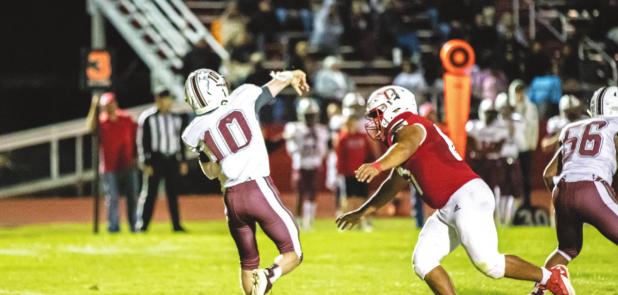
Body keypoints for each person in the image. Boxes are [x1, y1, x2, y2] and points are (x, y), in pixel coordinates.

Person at [336, 85, 575, 295]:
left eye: (377, 114)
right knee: (423, 260)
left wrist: (377, 165)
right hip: (448, 207)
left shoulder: (411, 125)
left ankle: (551, 278)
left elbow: (406, 146)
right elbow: (393, 183)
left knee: (488, 264)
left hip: (466, 196)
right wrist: (362, 211)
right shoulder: (401, 141)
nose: (374, 122)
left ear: (394, 108)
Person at [181, 68, 309, 295]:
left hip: (231, 198)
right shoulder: (243, 97)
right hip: (258, 188)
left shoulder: (193, 131)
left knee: (248, 263)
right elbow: (272, 88)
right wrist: (292, 75)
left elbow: (210, 172)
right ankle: (270, 275)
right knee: (293, 252)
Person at [535, 86, 618, 294]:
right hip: (592, 187)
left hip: (561, 190)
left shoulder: (571, 127)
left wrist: (560, 202)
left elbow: (548, 173)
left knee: (566, 249)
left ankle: (537, 292)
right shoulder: (615, 125)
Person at [136, 90, 188, 232]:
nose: (169, 102)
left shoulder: (176, 118)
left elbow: (180, 141)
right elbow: (142, 141)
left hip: (171, 159)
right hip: (155, 159)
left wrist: (183, 160)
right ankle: (143, 224)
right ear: (158, 100)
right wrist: (145, 162)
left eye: (170, 99)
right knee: (150, 193)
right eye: (166, 99)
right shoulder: (148, 118)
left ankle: (176, 225)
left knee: (173, 194)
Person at [86, 92, 139, 233]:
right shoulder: (101, 122)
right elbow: (90, 128)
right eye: (105, 106)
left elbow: (137, 139)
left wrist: (137, 157)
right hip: (109, 166)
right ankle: (113, 227)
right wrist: (93, 106)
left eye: (110, 105)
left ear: (115, 104)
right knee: (113, 198)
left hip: (128, 163)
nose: (108, 108)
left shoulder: (127, 119)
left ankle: (135, 225)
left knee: (132, 197)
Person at [283, 98, 329, 230]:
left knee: (312, 194)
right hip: (301, 165)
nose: (311, 118)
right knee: (300, 194)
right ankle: (297, 221)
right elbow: (291, 150)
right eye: (308, 115)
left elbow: (323, 150)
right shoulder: (294, 128)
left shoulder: (321, 130)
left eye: (312, 115)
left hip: (314, 165)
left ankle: (309, 221)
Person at [336, 111, 374, 231]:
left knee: (362, 198)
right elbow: (340, 156)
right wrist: (340, 171)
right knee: (349, 199)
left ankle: (362, 223)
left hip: (361, 172)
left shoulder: (362, 137)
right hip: (348, 173)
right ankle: (345, 223)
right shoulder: (343, 138)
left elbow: (369, 154)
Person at [509, 80, 539, 206]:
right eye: (517, 91)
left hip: (526, 147)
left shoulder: (531, 107)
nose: (519, 94)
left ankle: (527, 203)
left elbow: (534, 126)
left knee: (526, 176)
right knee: (512, 177)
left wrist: (533, 143)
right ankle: (512, 205)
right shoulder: (509, 108)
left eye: (521, 91)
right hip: (511, 148)